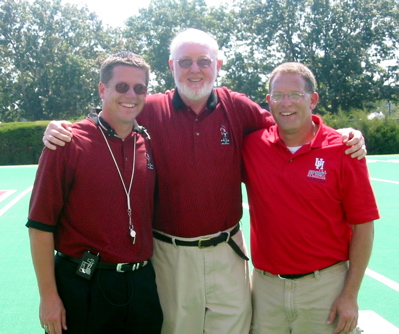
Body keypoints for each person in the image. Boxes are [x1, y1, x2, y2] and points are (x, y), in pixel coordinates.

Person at [41, 29, 366, 334]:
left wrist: (342, 135)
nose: (194, 70)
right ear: (172, 66)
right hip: (169, 255)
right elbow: (109, 117)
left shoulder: (237, 106)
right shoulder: (149, 109)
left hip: (227, 252)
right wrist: (61, 127)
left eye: (203, 62)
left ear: (217, 65)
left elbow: (291, 124)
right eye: (185, 62)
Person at [27, 52, 163, 334]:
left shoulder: (149, 144)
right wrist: (48, 298)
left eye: (140, 88)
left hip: (141, 287)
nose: (131, 95)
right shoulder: (67, 142)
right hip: (83, 286)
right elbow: (40, 225)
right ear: (103, 89)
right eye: (121, 86)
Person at [242, 62, 379, 334]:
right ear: (268, 101)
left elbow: (363, 225)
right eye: (278, 95)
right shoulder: (252, 145)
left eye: (296, 94)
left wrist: (350, 295)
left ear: (313, 100)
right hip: (266, 289)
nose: (286, 102)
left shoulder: (344, 149)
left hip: (324, 289)